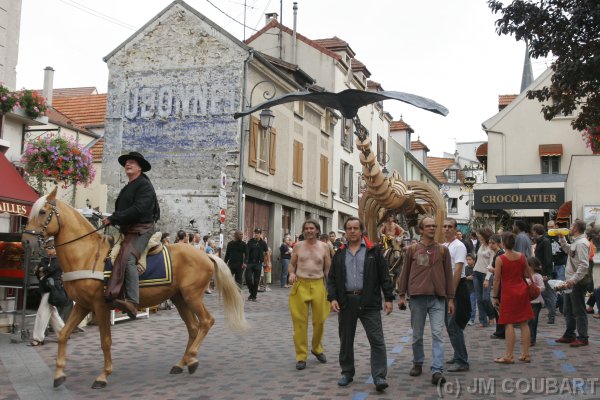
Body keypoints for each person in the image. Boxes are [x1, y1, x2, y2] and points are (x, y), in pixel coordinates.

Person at [327, 217, 394, 392]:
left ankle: (379, 377)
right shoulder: (340, 253)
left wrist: (388, 298)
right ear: (345, 231)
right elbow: (332, 278)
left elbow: (384, 276)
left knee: (377, 340)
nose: (352, 231)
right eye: (349, 228)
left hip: (369, 301)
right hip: (346, 302)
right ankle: (347, 373)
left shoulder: (374, 251)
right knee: (346, 340)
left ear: (362, 230)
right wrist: (333, 298)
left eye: (356, 228)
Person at [398, 216, 454, 386]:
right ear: (421, 230)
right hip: (417, 298)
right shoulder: (412, 249)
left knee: (438, 334)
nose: (432, 228)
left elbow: (449, 275)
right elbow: (404, 273)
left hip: (438, 299)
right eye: (428, 226)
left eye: (433, 226)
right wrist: (401, 295)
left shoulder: (443, 250)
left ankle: (437, 370)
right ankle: (418, 362)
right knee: (417, 335)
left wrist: (450, 298)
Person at [102, 151, 159, 319]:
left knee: (128, 258)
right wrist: (114, 219)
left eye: (132, 162)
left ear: (140, 167)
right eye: (126, 162)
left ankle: (133, 303)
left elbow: (139, 209)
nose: (128, 164)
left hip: (142, 229)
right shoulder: (129, 186)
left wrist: (114, 218)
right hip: (128, 229)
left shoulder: (144, 185)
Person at [288, 219, 331, 370]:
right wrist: (291, 274)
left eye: (312, 228)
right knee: (300, 322)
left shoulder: (324, 247)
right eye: (306, 228)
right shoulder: (298, 246)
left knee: (320, 320)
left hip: (318, 284)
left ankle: (317, 348)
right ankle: (301, 356)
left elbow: (327, 269)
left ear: (317, 230)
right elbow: (292, 264)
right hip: (301, 285)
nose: (309, 230)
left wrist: (331, 287)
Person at [492, 232, 533, 364]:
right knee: (524, 323)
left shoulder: (501, 259)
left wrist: (495, 296)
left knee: (508, 323)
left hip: (508, 293)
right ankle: (526, 354)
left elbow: (497, 280)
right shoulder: (521, 256)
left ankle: (509, 355)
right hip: (522, 291)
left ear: (503, 243)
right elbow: (527, 273)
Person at [555, 219, 590, 347]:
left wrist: (573, 280)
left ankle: (583, 337)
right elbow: (568, 250)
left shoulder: (581, 243)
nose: (569, 228)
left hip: (576, 282)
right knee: (567, 309)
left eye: (571, 226)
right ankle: (570, 334)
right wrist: (562, 238)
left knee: (578, 310)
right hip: (570, 281)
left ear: (575, 229)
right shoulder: (577, 242)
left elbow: (584, 265)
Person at [442, 218, 470, 372]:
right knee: (449, 325)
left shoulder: (459, 246)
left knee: (454, 324)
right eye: (444, 226)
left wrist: (451, 295)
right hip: (448, 288)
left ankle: (462, 360)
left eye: (450, 226)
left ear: (455, 228)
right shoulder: (445, 245)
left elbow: (458, 271)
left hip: (457, 288)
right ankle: (457, 355)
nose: (447, 229)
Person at [29, 239, 65, 346]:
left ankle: (38, 338)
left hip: (53, 289)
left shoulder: (59, 259)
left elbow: (51, 269)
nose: (48, 250)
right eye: (47, 248)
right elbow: (37, 272)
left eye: (50, 247)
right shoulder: (45, 259)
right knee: (53, 313)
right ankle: (64, 334)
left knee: (42, 312)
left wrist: (42, 269)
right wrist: (41, 270)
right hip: (45, 288)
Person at [531, 224, 556, 324]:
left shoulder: (545, 242)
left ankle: (552, 315)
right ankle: (549, 314)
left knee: (548, 294)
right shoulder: (541, 241)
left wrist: (546, 273)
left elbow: (548, 259)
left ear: (537, 231)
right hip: (541, 272)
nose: (532, 233)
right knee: (545, 294)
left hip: (544, 273)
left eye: (533, 231)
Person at [472, 228, 496, 327]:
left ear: (485, 235)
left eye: (480, 234)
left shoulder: (492, 247)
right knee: (479, 299)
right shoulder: (481, 244)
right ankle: (483, 320)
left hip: (486, 274)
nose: (478, 236)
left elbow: (491, 264)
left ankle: (491, 315)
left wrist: (487, 278)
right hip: (476, 273)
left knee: (485, 298)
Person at [547, 220, 568, 312]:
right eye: (548, 227)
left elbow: (567, 249)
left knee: (561, 284)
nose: (550, 229)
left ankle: (561, 304)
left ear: (556, 226)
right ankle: (556, 303)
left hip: (560, 263)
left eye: (552, 226)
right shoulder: (546, 237)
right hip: (550, 264)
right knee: (551, 285)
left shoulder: (562, 235)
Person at [245, 228, 269, 302]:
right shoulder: (250, 242)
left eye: (258, 233)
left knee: (256, 280)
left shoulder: (263, 243)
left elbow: (267, 252)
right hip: (250, 263)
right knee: (248, 278)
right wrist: (245, 262)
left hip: (258, 263)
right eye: (255, 233)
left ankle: (253, 296)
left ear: (260, 234)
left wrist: (268, 262)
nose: (256, 234)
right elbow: (246, 252)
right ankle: (252, 292)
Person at [526, 257, 545, 347]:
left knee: (532, 321)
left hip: (536, 301)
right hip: (528, 301)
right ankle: (529, 338)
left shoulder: (537, 276)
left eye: (529, 265)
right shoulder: (527, 276)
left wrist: (535, 290)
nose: (527, 267)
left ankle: (532, 339)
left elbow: (542, 287)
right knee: (529, 321)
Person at [465, 254, 477, 326]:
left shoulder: (476, 268)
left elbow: (473, 277)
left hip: (473, 289)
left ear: (474, 260)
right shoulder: (465, 268)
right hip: (467, 289)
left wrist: (467, 277)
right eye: (467, 259)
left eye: (470, 259)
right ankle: (467, 318)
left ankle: (472, 319)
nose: (468, 261)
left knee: (472, 305)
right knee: (467, 305)